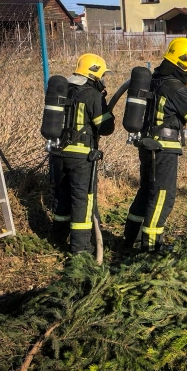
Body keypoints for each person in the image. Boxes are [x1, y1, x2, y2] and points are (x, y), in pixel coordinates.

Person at [123, 38, 187, 252]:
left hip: (149, 145)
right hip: (163, 149)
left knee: (146, 192)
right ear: (183, 63)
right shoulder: (175, 88)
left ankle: (130, 239)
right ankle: (151, 247)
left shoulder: (157, 80)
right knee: (162, 196)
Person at [50, 53, 115, 254]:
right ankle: (81, 248)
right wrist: (104, 104)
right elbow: (106, 127)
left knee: (62, 195)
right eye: (102, 75)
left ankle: (57, 238)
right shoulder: (92, 95)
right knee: (82, 200)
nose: (103, 79)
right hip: (80, 156)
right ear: (94, 74)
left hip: (57, 153)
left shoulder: (62, 90)